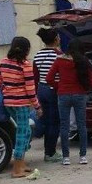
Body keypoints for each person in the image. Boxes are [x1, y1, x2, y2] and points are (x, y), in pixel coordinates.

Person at [0, 37, 42, 177]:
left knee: (25, 131)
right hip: (21, 105)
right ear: (26, 50)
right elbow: (31, 90)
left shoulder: (3, 62)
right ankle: (17, 169)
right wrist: (37, 107)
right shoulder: (25, 65)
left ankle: (22, 164)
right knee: (22, 133)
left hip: (8, 103)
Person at [47, 39, 92, 165]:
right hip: (80, 95)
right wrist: (86, 89)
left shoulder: (59, 60)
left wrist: (59, 86)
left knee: (64, 126)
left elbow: (49, 78)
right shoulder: (84, 61)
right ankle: (83, 156)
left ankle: (66, 157)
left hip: (63, 95)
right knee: (81, 126)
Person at [33, 27, 62, 163]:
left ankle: (48, 151)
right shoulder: (59, 55)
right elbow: (61, 75)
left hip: (41, 89)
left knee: (45, 121)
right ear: (56, 39)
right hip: (53, 90)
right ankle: (50, 153)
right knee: (54, 122)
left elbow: (35, 76)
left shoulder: (38, 55)